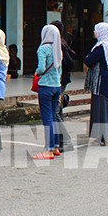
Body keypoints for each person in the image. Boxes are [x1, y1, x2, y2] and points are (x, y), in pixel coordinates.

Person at [32, 24, 62, 160]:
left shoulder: (43, 49)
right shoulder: (57, 49)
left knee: (47, 118)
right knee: (54, 117)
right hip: (57, 85)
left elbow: (41, 67)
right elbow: (59, 69)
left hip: (46, 86)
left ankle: (48, 150)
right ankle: (55, 146)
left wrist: (37, 72)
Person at [84, 22, 108, 146]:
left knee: (100, 108)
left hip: (100, 83)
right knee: (105, 108)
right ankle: (105, 136)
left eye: (96, 30)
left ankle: (103, 136)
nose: (94, 32)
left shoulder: (102, 47)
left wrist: (88, 57)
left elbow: (88, 60)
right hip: (107, 82)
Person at [51, 20, 75, 151]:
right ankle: (60, 140)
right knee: (58, 110)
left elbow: (69, 62)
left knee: (55, 111)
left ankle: (65, 140)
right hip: (61, 80)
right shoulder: (61, 42)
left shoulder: (58, 43)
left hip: (59, 80)